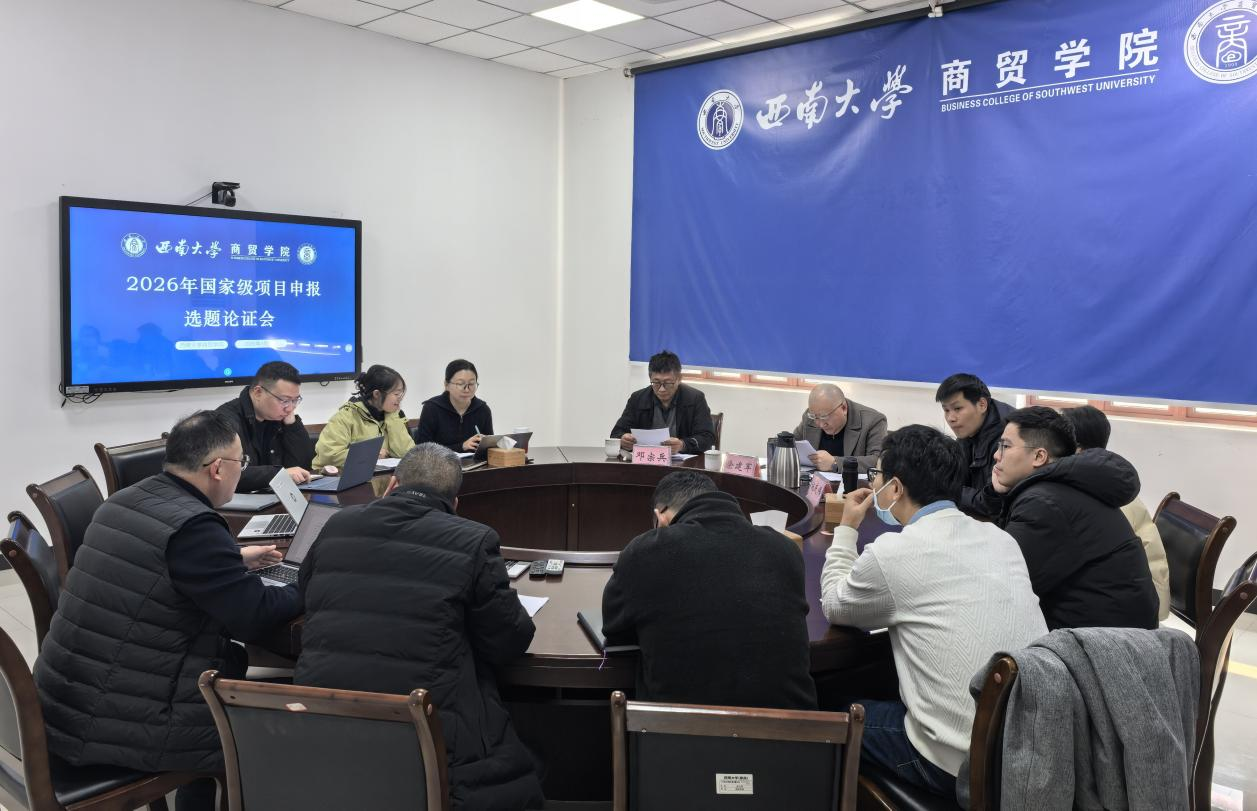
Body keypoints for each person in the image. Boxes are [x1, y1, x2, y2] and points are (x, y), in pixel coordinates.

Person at [34, 411, 302, 811]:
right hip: (126, 722)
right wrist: (307, 583)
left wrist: (230, 560)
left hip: (67, 703)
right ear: (217, 468)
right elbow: (254, 616)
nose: (241, 470)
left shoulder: (126, 500)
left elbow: (158, 569)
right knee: (284, 723)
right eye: (241, 463)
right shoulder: (196, 529)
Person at [295, 443, 543, 811]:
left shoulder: (337, 524)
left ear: (392, 485)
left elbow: (305, 590)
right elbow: (508, 640)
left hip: (323, 729)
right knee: (525, 765)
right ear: (455, 503)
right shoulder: (475, 539)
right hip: (426, 734)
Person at [820, 425, 1046, 797]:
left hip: (956, 763)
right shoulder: (1000, 539)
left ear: (895, 488)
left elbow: (834, 604)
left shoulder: (894, 553)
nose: (874, 484)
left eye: (877, 475)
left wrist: (846, 528)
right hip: (1028, 750)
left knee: (826, 706)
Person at [601, 470, 816, 710]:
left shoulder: (645, 551)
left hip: (678, 731)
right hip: (794, 730)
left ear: (660, 517)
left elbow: (614, 629)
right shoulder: (785, 549)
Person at [991, 406, 1158, 630]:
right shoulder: (1056, 488)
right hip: (1114, 630)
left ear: (1039, 456)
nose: (996, 455)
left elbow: (1003, 585)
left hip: (1106, 642)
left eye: (1005, 446)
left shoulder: (1043, 504)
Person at [1061, 405, 1171, 621]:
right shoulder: (1108, 480)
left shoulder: (1094, 491)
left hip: (1137, 610)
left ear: (1077, 448)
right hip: (1141, 597)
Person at [215, 360, 316, 491]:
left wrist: (292, 425)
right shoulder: (225, 421)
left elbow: (303, 467)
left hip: (276, 496)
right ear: (258, 393)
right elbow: (226, 473)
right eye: (285, 400)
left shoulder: (279, 417)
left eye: (295, 400)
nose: (290, 408)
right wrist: (277, 474)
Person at [935, 373, 1012, 517]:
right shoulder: (968, 429)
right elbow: (953, 476)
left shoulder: (1007, 438)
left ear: (982, 405)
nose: (951, 418)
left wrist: (945, 489)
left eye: (958, 408)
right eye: (946, 410)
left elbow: (991, 503)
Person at [611, 350, 715, 454]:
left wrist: (683, 445)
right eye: (656, 382)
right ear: (650, 378)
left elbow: (708, 438)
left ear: (679, 379)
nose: (662, 389)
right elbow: (616, 433)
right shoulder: (637, 399)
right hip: (647, 460)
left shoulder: (695, 398)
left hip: (683, 461)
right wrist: (623, 439)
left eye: (668, 383)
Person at [313, 364, 415, 469]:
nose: (400, 399)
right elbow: (328, 456)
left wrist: (393, 418)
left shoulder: (393, 415)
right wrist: (371, 454)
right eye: (396, 394)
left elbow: (408, 454)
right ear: (377, 394)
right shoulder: (346, 417)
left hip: (382, 475)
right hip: (342, 476)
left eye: (401, 394)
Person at [792, 383, 887, 473]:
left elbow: (878, 460)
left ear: (844, 408)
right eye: (815, 417)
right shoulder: (810, 417)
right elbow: (792, 445)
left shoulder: (873, 420)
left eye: (824, 416)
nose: (821, 424)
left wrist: (835, 463)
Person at [413, 359, 494, 454]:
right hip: (439, 462)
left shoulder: (482, 409)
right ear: (446, 385)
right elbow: (422, 450)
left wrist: (486, 444)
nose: (467, 389)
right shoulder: (432, 408)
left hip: (475, 463)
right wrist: (461, 447)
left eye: (471, 384)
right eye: (460, 384)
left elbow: (490, 449)